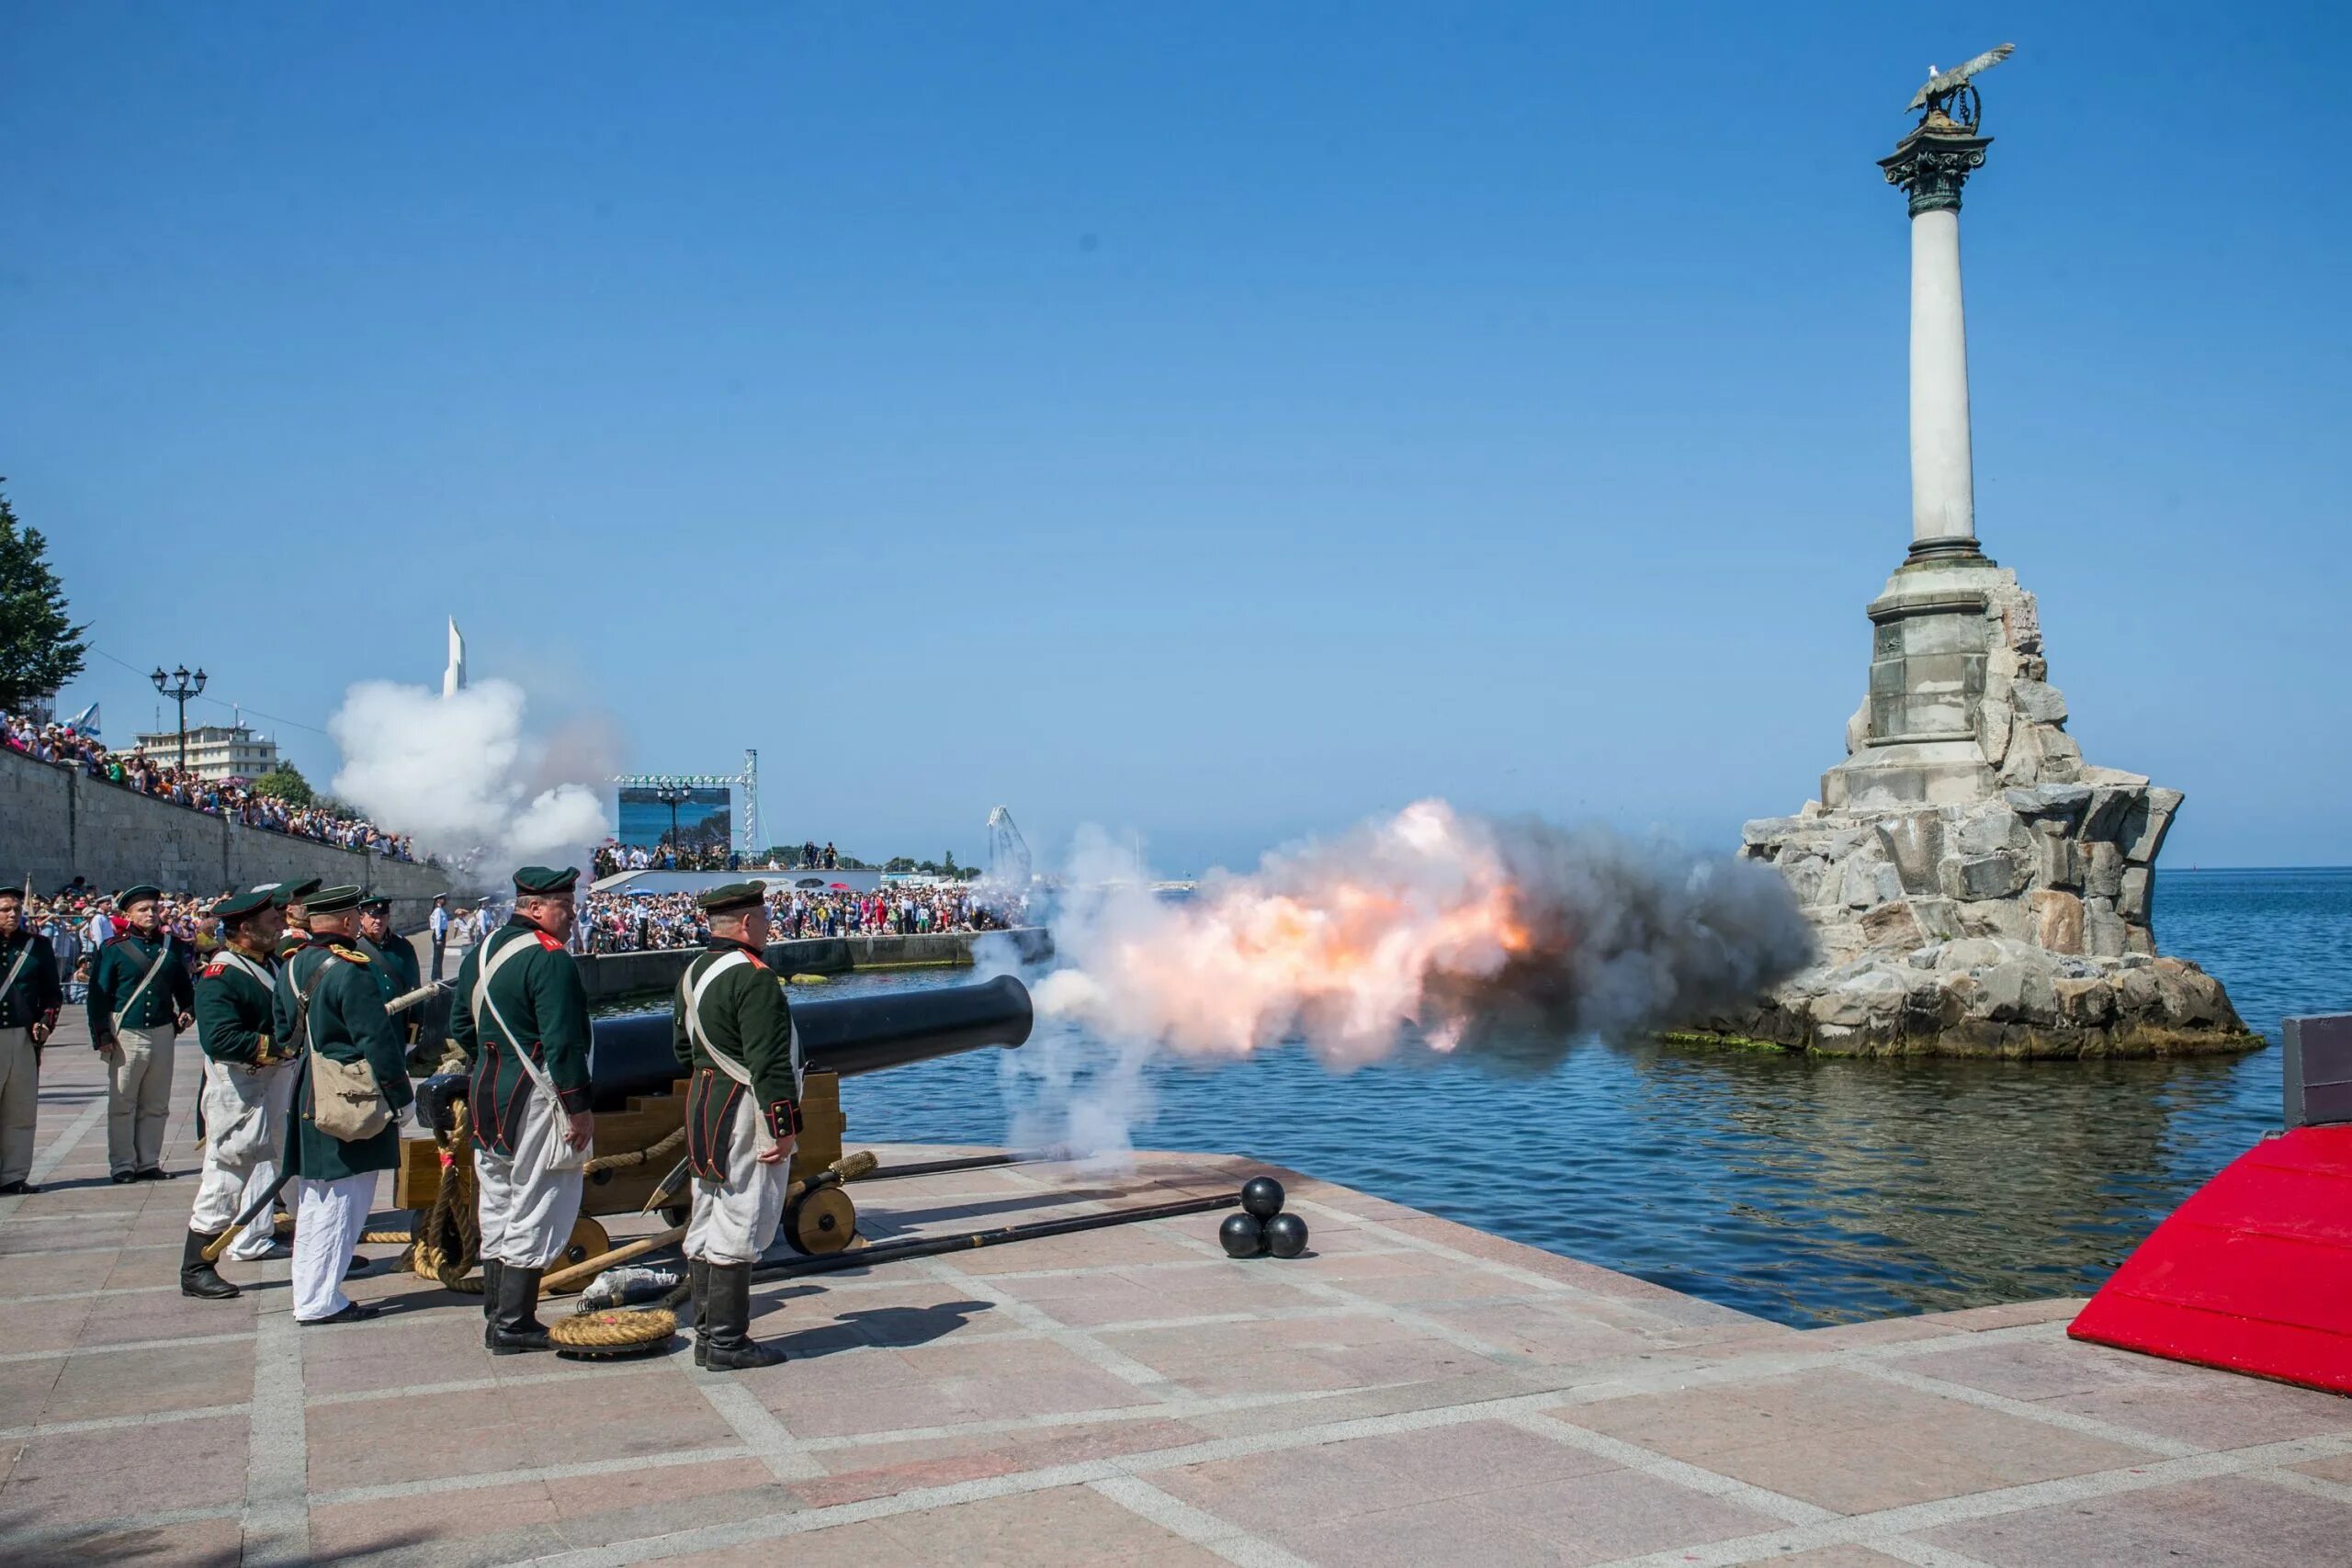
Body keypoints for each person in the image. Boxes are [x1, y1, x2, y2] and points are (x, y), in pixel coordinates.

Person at [449, 865, 594, 1354]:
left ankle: (497, 1314)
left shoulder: (481, 952)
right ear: (534, 908)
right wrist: (578, 1107)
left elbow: (461, 1027)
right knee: (538, 1198)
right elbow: (563, 1041)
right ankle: (514, 1321)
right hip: (536, 1095)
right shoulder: (551, 959)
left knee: (496, 1202)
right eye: (564, 907)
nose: (572, 917)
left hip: (488, 1089)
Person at [673, 880, 798, 1370]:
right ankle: (727, 1342)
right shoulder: (754, 976)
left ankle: (708, 1336)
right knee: (743, 1213)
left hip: (705, 1102)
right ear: (747, 923)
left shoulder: (694, 971)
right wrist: (781, 1126)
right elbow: (769, 1062)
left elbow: (683, 1051)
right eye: (765, 918)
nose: (769, 926)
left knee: (706, 1212)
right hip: (746, 1107)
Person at [274, 885, 413, 1325]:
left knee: (316, 1200)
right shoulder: (351, 969)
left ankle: (310, 1291)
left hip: (309, 1088)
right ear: (348, 921)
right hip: (346, 1096)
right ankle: (321, 1300)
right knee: (344, 1200)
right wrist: (400, 1095)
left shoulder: (293, 966)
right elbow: (376, 1040)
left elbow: (283, 1035)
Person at [182, 887, 291, 1297]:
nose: (280, 924)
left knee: (296, 1168)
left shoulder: (272, 962)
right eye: (271, 922)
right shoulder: (221, 975)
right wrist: (280, 1045)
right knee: (225, 1176)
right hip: (241, 1089)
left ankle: (318, 1244)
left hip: (277, 1084)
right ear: (245, 929)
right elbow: (220, 1038)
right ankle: (196, 1265)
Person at [86, 885, 197, 1183]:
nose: (150, 913)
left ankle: (149, 1161)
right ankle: (122, 1164)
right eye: (143, 909)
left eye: (154, 908)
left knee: (156, 1103)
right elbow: (99, 996)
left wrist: (188, 1008)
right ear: (128, 915)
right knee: (123, 1103)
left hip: (162, 1030)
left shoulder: (172, 946)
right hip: (127, 1033)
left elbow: (183, 986)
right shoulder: (113, 948)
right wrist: (102, 1034)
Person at [0, 886, 63, 1194]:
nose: (12, 914)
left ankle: (13, 1175)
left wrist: (45, 1022)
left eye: (15, 909)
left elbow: (52, 991)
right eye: (4, 910)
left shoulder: (37, 946)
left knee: (20, 1109)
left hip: (23, 1035)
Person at [274, 878, 321, 963]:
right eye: (307, 904)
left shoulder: (306, 933)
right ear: (289, 909)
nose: (315, 908)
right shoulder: (294, 940)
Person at [428, 894, 451, 981]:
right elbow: (437, 925)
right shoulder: (438, 911)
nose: (445, 900)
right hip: (439, 934)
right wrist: (438, 938)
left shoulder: (440, 910)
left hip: (441, 934)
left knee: (440, 956)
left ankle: (438, 976)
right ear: (438, 900)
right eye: (443, 899)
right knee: (437, 957)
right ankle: (435, 977)